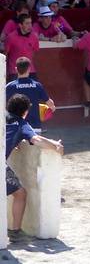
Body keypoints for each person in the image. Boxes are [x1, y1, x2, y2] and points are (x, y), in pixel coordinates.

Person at [6, 94, 64, 242]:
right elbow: (36, 139)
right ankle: (15, 232)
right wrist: (55, 146)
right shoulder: (20, 124)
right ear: (25, 112)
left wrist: (14, 141)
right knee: (20, 194)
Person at [6, 57, 55, 133]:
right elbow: (50, 103)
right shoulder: (37, 85)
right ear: (29, 69)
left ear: (16, 69)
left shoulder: (10, 86)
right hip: (34, 127)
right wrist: (52, 108)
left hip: (16, 128)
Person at [4, 14, 39, 81]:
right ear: (20, 25)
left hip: (30, 71)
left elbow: (34, 53)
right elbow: (5, 55)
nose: (30, 26)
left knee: (35, 90)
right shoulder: (10, 37)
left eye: (30, 23)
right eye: (27, 23)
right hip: (14, 71)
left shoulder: (34, 37)